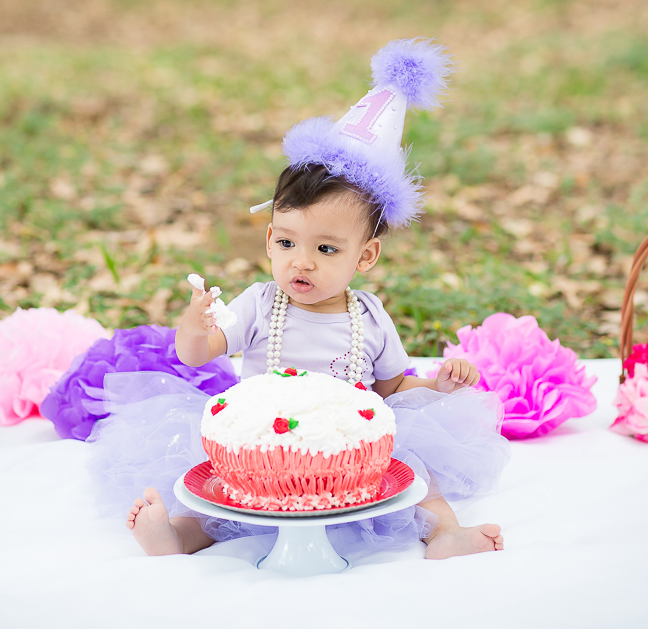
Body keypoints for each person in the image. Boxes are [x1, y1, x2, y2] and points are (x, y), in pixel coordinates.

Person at [91, 38, 509, 561]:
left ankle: (445, 534)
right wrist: (195, 324)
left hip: (345, 455)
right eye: (287, 242)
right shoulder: (261, 303)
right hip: (260, 448)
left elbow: (393, 385)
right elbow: (196, 353)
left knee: (417, 476)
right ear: (269, 239)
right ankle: (176, 536)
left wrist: (438, 384)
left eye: (326, 248)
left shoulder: (369, 318)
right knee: (214, 490)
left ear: (367, 255)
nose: (301, 261)